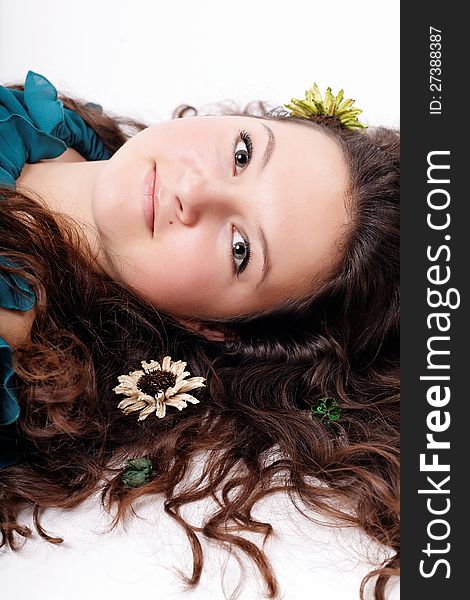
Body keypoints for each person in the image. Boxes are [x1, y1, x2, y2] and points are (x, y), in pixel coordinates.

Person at [0, 71, 399, 600]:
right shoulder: (61, 131)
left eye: (240, 249)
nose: (194, 189)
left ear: (210, 327)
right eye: (241, 153)